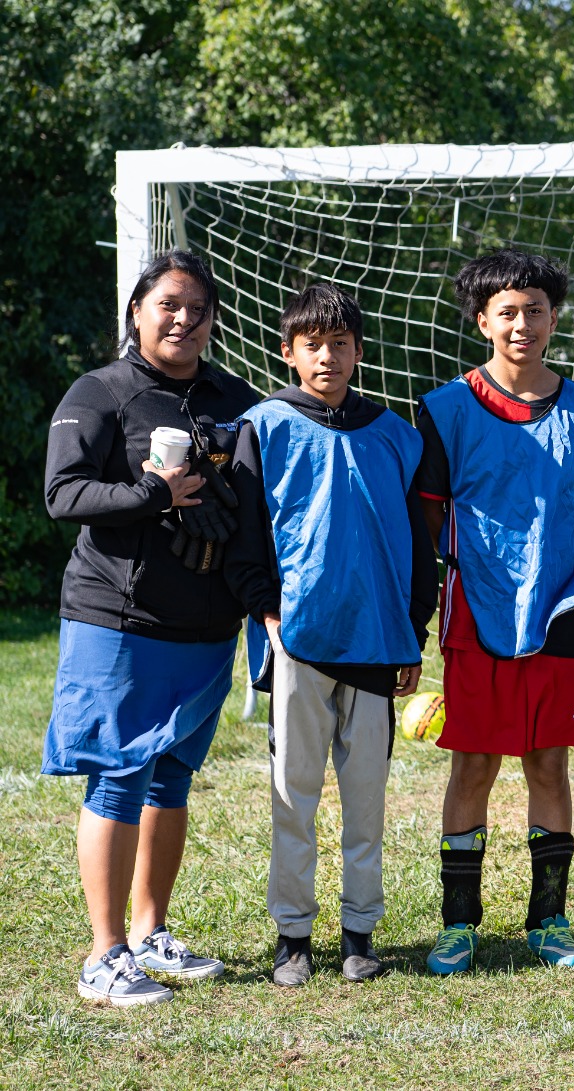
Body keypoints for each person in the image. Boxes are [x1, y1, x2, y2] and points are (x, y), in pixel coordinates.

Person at [42, 250, 259, 1006]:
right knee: (119, 775)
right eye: (168, 304)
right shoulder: (100, 392)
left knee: (172, 777)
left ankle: (151, 931)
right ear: (137, 311)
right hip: (119, 620)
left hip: (205, 623)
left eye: (198, 308)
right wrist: (151, 493)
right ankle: (104, 955)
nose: (183, 318)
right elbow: (63, 494)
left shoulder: (234, 398)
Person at [226, 284, 436, 986]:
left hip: (378, 644)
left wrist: (413, 628)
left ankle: (359, 932)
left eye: (340, 343)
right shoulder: (264, 426)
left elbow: (419, 543)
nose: (328, 355)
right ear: (288, 352)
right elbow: (247, 534)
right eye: (313, 343)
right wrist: (268, 612)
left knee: (367, 801)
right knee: (295, 793)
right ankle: (292, 935)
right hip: (299, 642)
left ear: (359, 351)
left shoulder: (396, 435)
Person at [414, 248, 574, 974]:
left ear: (554, 317)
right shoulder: (445, 409)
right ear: (481, 320)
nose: (521, 323)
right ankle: (459, 922)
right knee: (472, 767)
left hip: (556, 614)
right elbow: (431, 521)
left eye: (535, 310)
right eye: (506, 312)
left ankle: (548, 919)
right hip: (475, 617)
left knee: (549, 765)